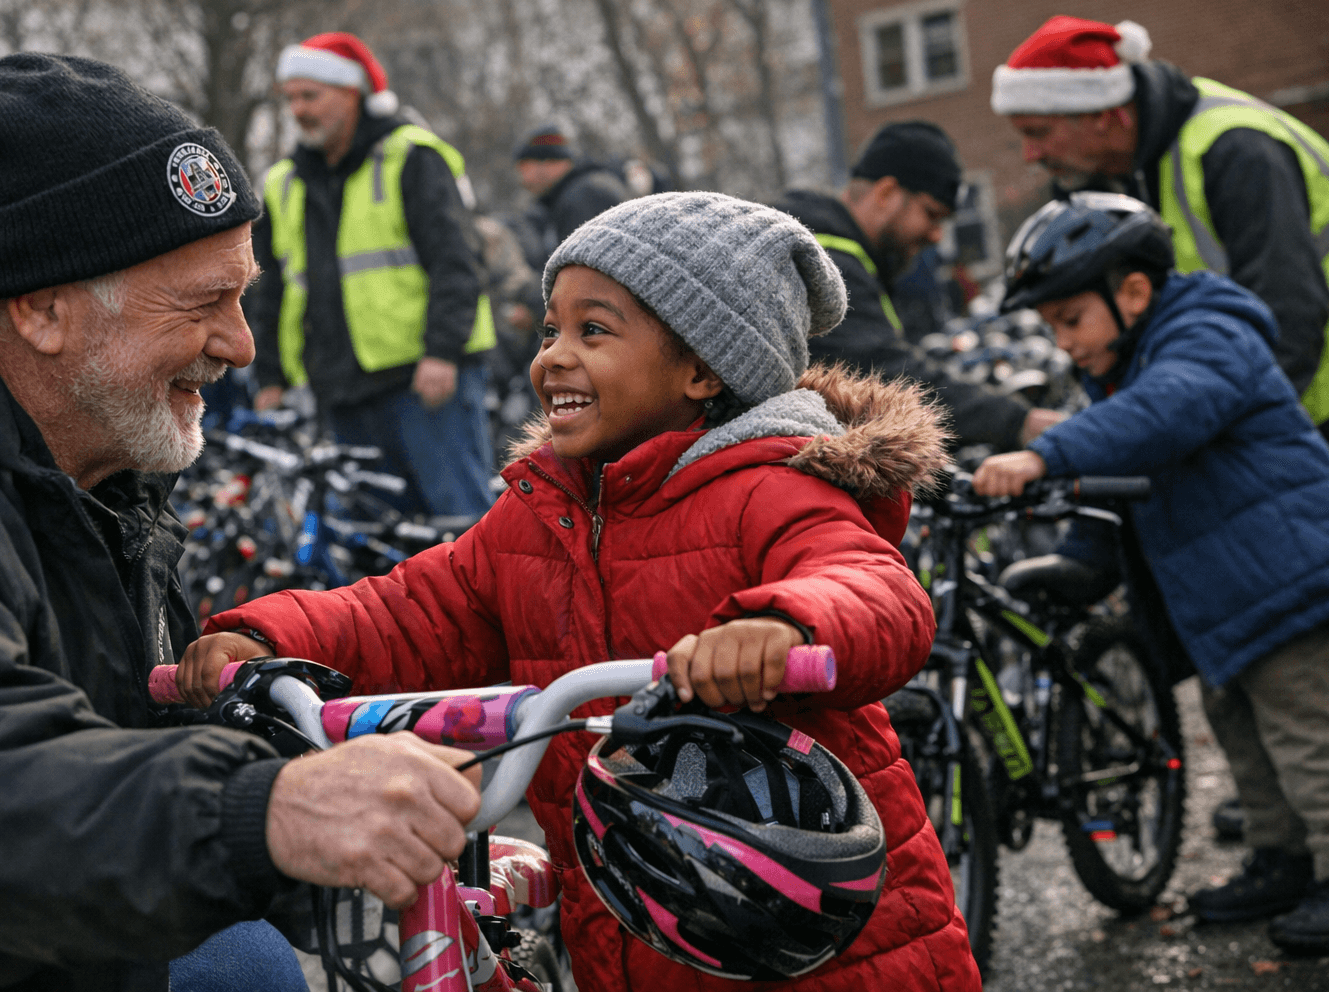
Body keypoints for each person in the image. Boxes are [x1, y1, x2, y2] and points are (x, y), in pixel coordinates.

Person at [0, 53, 484, 991]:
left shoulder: (85, 436)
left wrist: (310, 775)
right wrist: (262, 812)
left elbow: (114, 729)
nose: (242, 344)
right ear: (43, 309)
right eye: (204, 303)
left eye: (244, 293)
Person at [178, 192, 981, 991]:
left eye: (593, 331)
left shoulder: (772, 489)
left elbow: (874, 589)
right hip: (629, 919)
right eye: (553, 328)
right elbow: (416, 606)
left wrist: (782, 626)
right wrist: (270, 637)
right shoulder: (541, 514)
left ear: (704, 368)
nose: (553, 355)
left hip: (808, 924)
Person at [973, 192, 1329, 955]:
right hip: (1227, 605)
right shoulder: (1121, 367)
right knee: (1245, 738)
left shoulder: (1207, 335)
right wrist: (1076, 562)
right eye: (1051, 327)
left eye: (1071, 320)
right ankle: (1281, 858)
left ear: (1132, 292)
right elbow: (1122, 489)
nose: (1063, 343)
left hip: (1292, 581)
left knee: (1310, 738)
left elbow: (1163, 416)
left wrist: (1046, 452)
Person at [992, 14, 1329, 441]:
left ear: (1100, 113)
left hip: (1302, 417)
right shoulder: (1117, 170)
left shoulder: (1235, 148)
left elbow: (1288, 315)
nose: (1029, 154)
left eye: (1038, 132)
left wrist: (1228, 440)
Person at [249, 32, 497, 518]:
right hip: (338, 391)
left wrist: (442, 353)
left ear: (352, 93)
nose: (298, 109)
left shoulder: (412, 158)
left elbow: (457, 263)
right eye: (291, 98)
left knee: (458, 527)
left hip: (424, 384)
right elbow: (269, 292)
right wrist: (269, 378)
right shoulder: (282, 184)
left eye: (310, 95)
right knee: (368, 548)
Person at [773, 121, 1063, 451]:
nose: (937, 235)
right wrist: (1015, 422)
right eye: (931, 214)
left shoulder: (831, 247)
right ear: (885, 194)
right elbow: (882, 376)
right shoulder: (821, 260)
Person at [513, 123, 630, 257]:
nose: (523, 180)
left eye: (524, 169)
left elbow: (590, 265)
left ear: (544, 163)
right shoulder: (582, 189)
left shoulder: (583, 197)